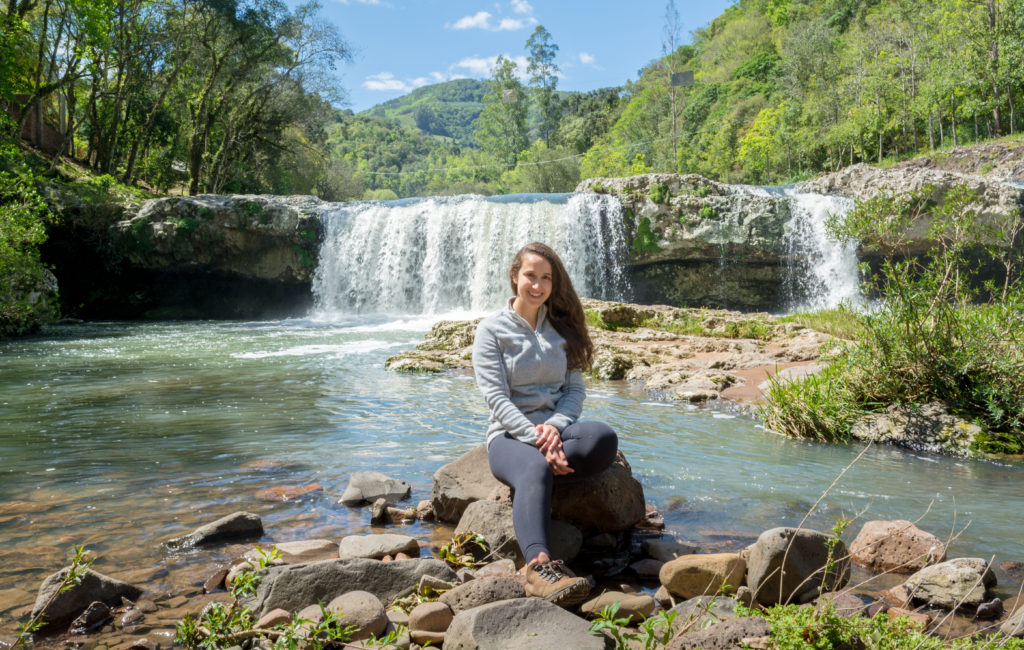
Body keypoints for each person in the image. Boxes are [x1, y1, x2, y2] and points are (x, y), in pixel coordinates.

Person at [471, 241, 619, 607]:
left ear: (554, 283)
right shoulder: (491, 331)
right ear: (514, 277)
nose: (537, 286)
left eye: (545, 279)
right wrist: (537, 439)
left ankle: (547, 466)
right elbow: (496, 399)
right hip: (509, 437)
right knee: (536, 467)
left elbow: (574, 392)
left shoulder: (561, 329)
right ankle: (539, 568)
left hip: (555, 428)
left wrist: (554, 427)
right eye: (530, 277)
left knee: (603, 437)